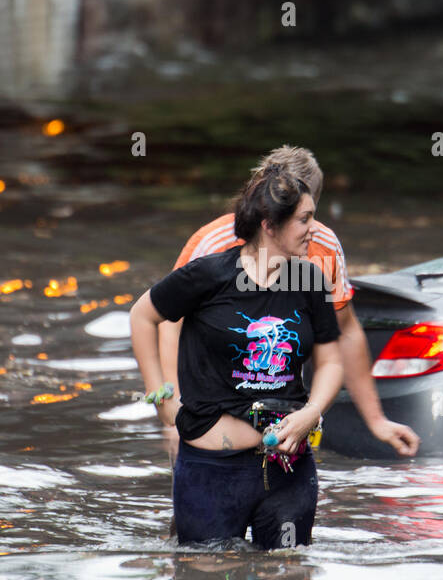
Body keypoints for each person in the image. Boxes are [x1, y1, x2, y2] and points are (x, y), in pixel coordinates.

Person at [158, 146, 419, 465]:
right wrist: (173, 407)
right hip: (210, 410)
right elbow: (169, 320)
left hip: (280, 400)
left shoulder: (322, 247)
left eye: (305, 213)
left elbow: (346, 331)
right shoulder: (215, 241)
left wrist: (376, 421)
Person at [130, 162, 344, 549]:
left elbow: (332, 361)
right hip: (211, 472)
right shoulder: (209, 275)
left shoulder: (311, 280)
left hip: (288, 471)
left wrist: (312, 412)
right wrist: (160, 394)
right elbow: (143, 316)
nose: (314, 228)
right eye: (304, 219)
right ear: (269, 225)